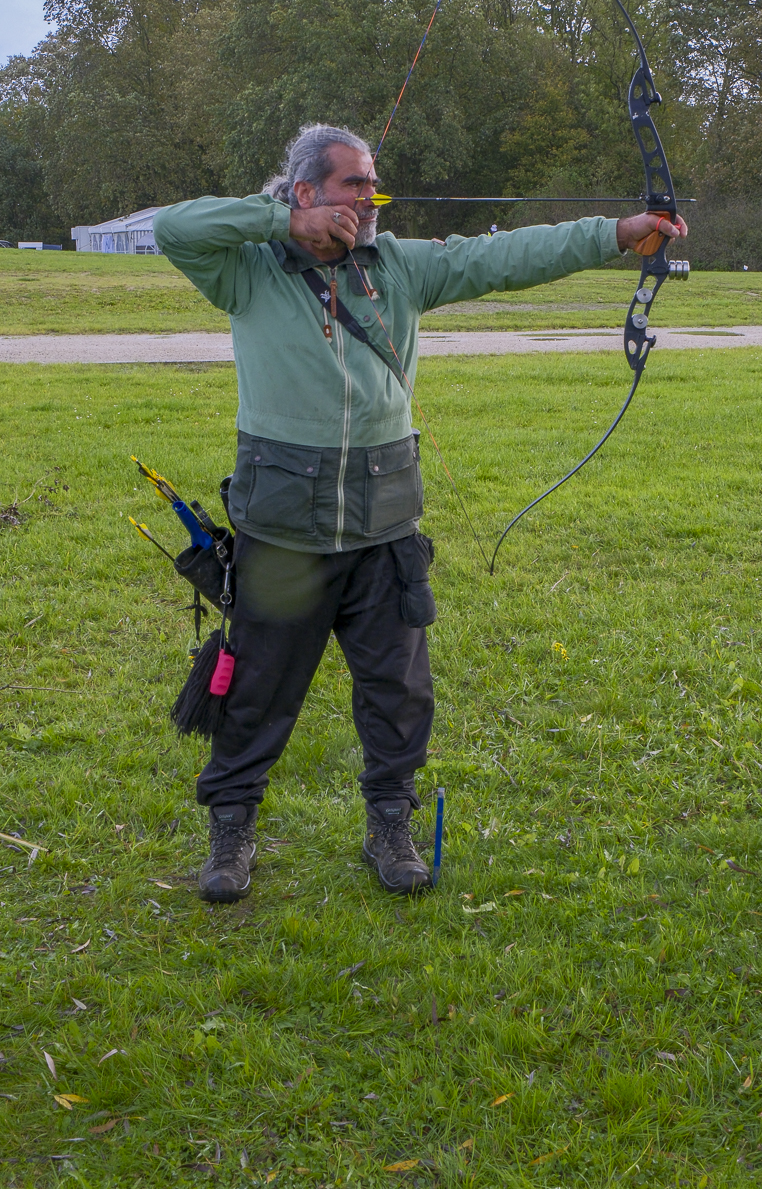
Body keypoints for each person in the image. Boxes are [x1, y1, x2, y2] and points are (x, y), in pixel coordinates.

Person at [153, 123, 687, 904]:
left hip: (383, 527)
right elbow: (175, 227)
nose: (371, 197)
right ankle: (231, 829)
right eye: (354, 184)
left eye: (373, 183)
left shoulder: (396, 266)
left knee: (398, 695)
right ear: (305, 191)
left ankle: (389, 824)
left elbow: (504, 257)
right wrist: (283, 223)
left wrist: (617, 232)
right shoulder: (246, 271)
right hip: (286, 530)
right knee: (256, 689)